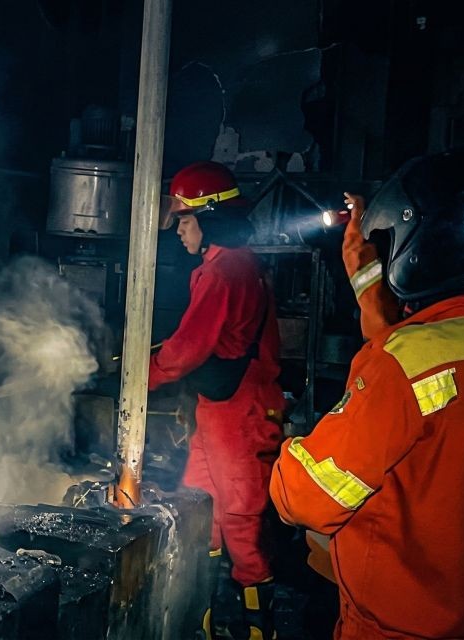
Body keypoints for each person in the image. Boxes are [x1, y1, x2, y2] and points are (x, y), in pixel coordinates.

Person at [270, 147, 464, 639]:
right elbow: (410, 346)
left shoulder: (400, 365)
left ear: (427, 239)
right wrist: (361, 259)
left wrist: (289, 451)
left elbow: (306, 499)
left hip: (388, 627)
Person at [150, 160, 285, 640]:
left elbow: (186, 351)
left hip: (242, 412)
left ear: (209, 218)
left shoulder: (226, 270)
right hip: (220, 409)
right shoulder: (227, 265)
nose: (181, 230)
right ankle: (203, 617)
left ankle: (256, 629)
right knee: (201, 507)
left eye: (185, 219)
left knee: (239, 523)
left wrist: (134, 376)